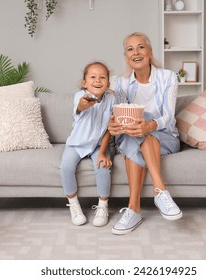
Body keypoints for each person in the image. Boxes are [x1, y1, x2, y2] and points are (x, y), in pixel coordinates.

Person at [108, 32, 182, 235]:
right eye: (130, 49)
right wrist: (112, 125)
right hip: (132, 136)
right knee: (134, 137)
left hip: (166, 137)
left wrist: (149, 126)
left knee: (143, 135)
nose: (136, 52)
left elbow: (168, 116)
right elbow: (112, 109)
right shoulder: (119, 83)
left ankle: (136, 208)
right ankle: (159, 194)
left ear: (149, 52)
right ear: (126, 57)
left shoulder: (168, 77)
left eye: (141, 47)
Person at [60, 62, 115, 227]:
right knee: (66, 168)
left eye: (102, 77)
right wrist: (85, 103)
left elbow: (109, 130)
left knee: (103, 167)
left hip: (98, 145)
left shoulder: (111, 99)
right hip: (76, 144)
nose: (98, 80)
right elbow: (80, 106)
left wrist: (103, 152)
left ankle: (103, 206)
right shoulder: (80, 96)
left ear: (108, 83)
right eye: (93, 77)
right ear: (85, 83)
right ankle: (74, 205)